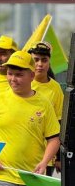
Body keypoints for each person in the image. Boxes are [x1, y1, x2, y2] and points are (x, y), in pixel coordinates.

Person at [0, 51, 60, 186]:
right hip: (3, 176)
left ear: (32, 76)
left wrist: (44, 162)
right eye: (10, 74)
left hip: (33, 177)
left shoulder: (44, 104)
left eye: (19, 75)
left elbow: (54, 138)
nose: (13, 79)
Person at [28, 41, 64, 175]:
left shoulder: (55, 88)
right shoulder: (24, 83)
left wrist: (59, 157)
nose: (39, 64)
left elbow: (59, 122)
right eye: (36, 60)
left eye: (44, 60)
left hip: (46, 156)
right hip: (24, 151)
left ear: (49, 62)